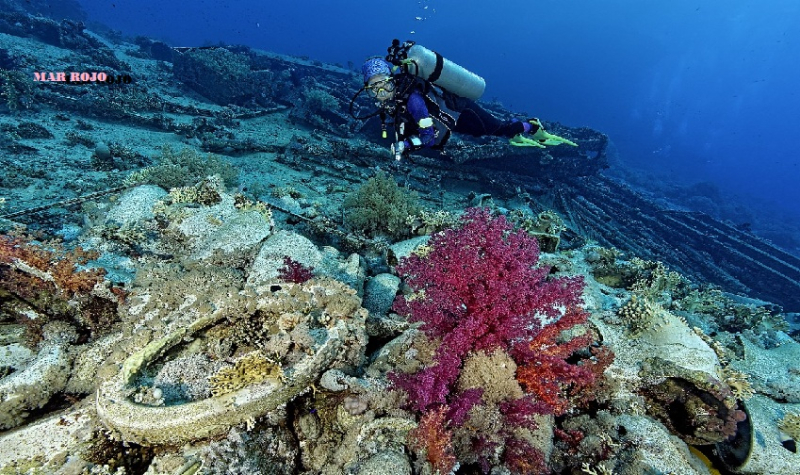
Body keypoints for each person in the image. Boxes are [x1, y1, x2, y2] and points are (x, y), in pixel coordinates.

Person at [357, 44, 577, 161]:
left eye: (384, 84)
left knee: (499, 130)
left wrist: (404, 146)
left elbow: (429, 138)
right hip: (452, 120)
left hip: (462, 112)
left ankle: (532, 126)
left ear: (392, 79)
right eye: (374, 89)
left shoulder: (413, 100)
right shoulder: (396, 100)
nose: (381, 92)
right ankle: (519, 131)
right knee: (489, 132)